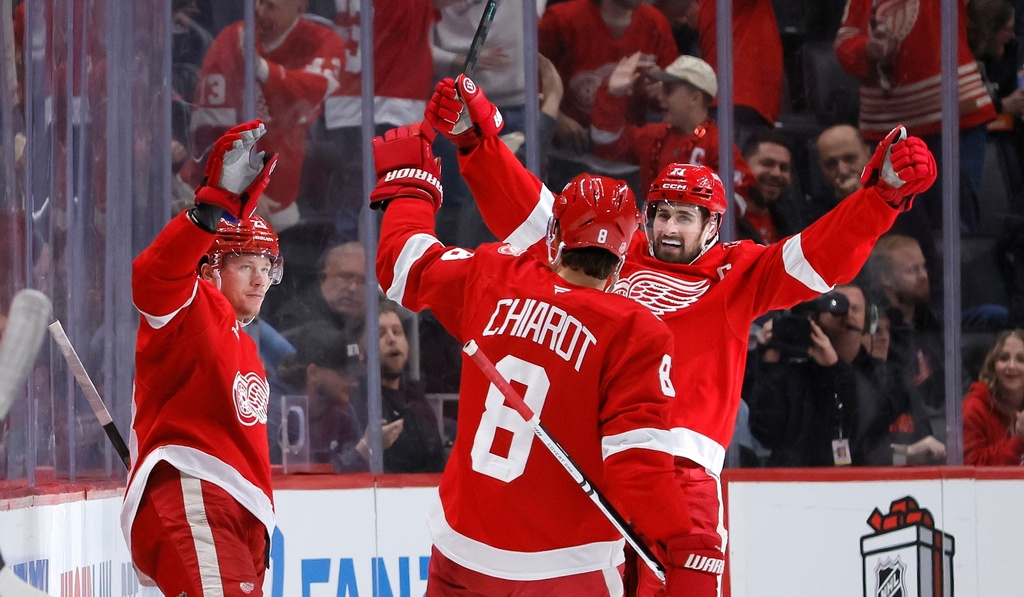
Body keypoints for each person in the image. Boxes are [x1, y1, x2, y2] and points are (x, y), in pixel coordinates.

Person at [426, 74, 937, 596]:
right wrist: (477, 141)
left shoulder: (740, 274)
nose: (669, 229)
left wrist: (881, 199)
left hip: (683, 476)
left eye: (685, 218)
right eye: (662, 214)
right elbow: (534, 212)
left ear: (712, 226)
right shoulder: (609, 253)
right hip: (600, 468)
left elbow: (818, 254)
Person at [371, 122, 716, 595]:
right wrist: (680, 538)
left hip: (462, 552)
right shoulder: (635, 330)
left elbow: (402, 266)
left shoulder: (495, 273)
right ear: (621, 259)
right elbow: (635, 464)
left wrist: (411, 192)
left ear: (555, 236)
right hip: (567, 566)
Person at [122, 120, 279, 595]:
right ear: (210, 269)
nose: (260, 279)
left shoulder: (246, 343)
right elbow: (152, 279)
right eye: (246, 265)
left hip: (236, 511)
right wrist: (209, 211)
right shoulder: (190, 305)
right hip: (195, 493)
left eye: (267, 266)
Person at [834, 0, 996, 231]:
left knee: (959, 223)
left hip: (955, 117)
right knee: (900, 228)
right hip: (890, 129)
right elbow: (845, 45)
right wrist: (869, 48)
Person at [192, 0, 347, 231]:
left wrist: (262, 69)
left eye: (270, 6)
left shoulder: (322, 41)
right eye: (258, 3)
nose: (259, 12)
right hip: (221, 200)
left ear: (300, 7)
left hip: (284, 207)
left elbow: (313, 90)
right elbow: (210, 131)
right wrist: (242, 188)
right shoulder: (231, 40)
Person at [538, 0, 678, 189]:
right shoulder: (560, 19)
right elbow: (532, 77)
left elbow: (671, 94)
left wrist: (655, 93)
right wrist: (557, 118)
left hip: (627, 157)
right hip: (568, 155)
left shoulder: (656, 23)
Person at [590, 53, 755, 204]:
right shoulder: (652, 135)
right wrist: (613, 94)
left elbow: (736, 199)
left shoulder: (719, 146)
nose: (660, 97)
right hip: (651, 224)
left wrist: (687, 213)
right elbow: (606, 143)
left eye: (668, 90)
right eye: (661, 89)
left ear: (695, 98)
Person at [275, 323, 363, 465]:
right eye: (344, 373)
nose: (354, 382)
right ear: (313, 373)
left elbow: (357, 474)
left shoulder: (344, 411)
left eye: (355, 374)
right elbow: (297, 474)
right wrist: (362, 451)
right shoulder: (279, 412)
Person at [269, 241, 366, 338]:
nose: (353, 288)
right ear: (323, 277)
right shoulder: (295, 318)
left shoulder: (370, 317)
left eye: (363, 281)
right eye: (345, 277)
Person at [963, 328, 1024, 465]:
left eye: (1021, 359)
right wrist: (1019, 441)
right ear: (992, 365)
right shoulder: (974, 407)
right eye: (1004, 358)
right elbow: (971, 467)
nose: (1011, 366)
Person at [737, 129, 802, 244]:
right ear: (743, 165)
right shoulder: (723, 224)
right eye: (768, 164)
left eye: (784, 168)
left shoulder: (793, 222)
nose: (776, 173)